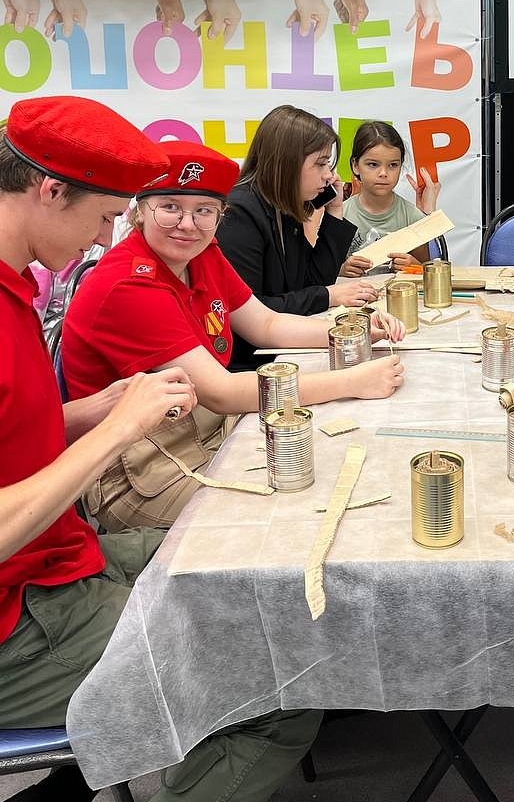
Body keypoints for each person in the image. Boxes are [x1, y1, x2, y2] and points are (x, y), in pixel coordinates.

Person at [0, 95, 321, 802]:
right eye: (105, 216)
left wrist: (92, 410)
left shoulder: (16, 286)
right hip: (19, 615)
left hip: (57, 558)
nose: (103, 237)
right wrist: (118, 430)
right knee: (279, 688)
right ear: (50, 191)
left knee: (245, 557)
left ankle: (64, 790)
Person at [61, 140, 404, 532]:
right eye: (170, 207)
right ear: (140, 211)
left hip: (203, 428)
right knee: (298, 510)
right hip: (138, 467)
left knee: (332, 463)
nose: (187, 224)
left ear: (220, 215)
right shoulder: (129, 283)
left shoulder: (202, 254)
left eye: (203, 210)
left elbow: (267, 325)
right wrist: (352, 381)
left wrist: (354, 330)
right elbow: (221, 392)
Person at [216, 105, 379, 373]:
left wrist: (334, 210)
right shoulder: (239, 213)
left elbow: (311, 280)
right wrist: (327, 296)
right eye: (321, 164)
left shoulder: (283, 205)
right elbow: (255, 309)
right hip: (249, 364)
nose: (329, 175)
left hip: (278, 349)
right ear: (287, 162)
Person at [341, 120, 441, 276]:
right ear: (355, 165)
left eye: (393, 165)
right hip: (351, 292)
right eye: (373, 164)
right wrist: (341, 270)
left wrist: (413, 266)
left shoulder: (412, 217)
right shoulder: (340, 216)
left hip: (399, 291)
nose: (383, 173)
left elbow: (426, 272)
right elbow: (322, 273)